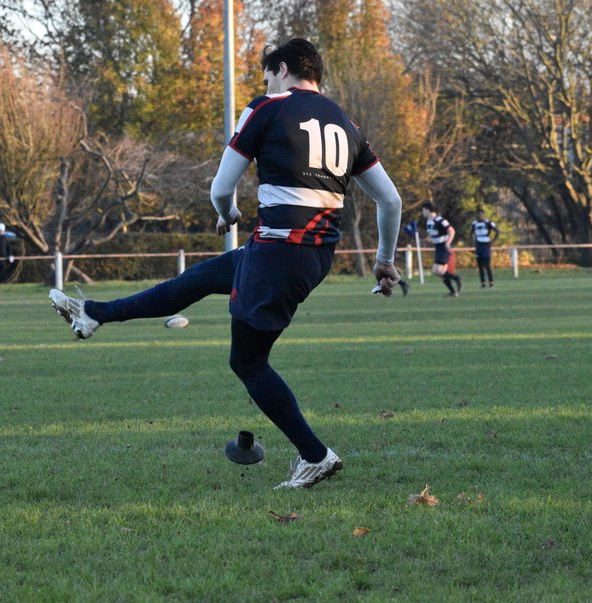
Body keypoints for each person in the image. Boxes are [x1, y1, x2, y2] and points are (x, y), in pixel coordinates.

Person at [48, 38, 403, 489]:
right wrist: (383, 261)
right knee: (196, 280)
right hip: (309, 255)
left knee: (248, 363)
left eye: (268, 74)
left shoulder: (267, 108)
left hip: (278, 251)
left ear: (283, 68)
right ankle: (94, 313)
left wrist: (227, 212)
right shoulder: (347, 125)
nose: (267, 83)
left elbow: (220, 187)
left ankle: (315, 455)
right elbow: (389, 200)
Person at [422, 202, 462, 296]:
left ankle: (457, 278)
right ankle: (453, 292)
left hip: (443, 247)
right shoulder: (429, 221)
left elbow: (451, 231)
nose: (422, 212)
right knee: (441, 272)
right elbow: (434, 234)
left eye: (423, 210)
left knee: (436, 270)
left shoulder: (440, 219)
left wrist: (448, 242)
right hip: (438, 247)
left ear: (428, 210)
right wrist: (426, 240)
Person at [470, 207, 499, 288]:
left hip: (486, 245)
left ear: (483, 214)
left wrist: (492, 242)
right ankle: (483, 283)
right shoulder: (474, 223)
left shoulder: (488, 222)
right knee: (480, 265)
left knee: (487, 265)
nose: (479, 215)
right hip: (478, 245)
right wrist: (473, 244)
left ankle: (491, 282)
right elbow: (471, 233)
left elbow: (497, 231)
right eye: (478, 214)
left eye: (481, 214)